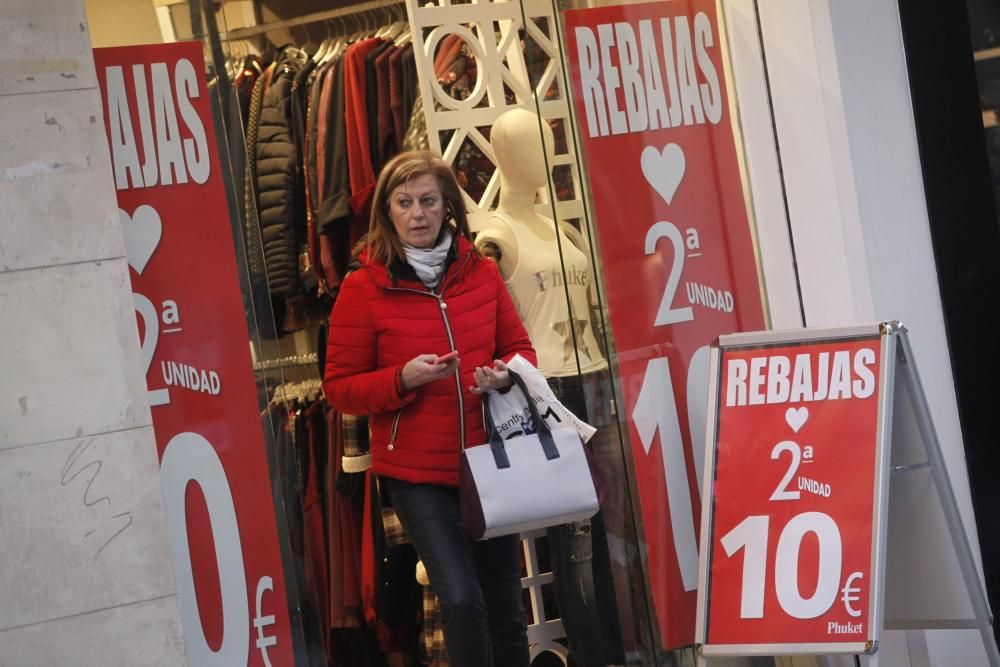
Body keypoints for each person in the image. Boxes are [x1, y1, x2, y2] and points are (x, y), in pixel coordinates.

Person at [322, 150, 536, 666]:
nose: (417, 214)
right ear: (387, 212)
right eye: (404, 202)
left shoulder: (481, 273)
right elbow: (340, 387)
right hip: (416, 473)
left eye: (428, 201)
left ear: (447, 209)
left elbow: (521, 350)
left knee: (507, 609)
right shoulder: (362, 287)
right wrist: (402, 379)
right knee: (462, 600)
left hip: (490, 463)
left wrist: (504, 375)